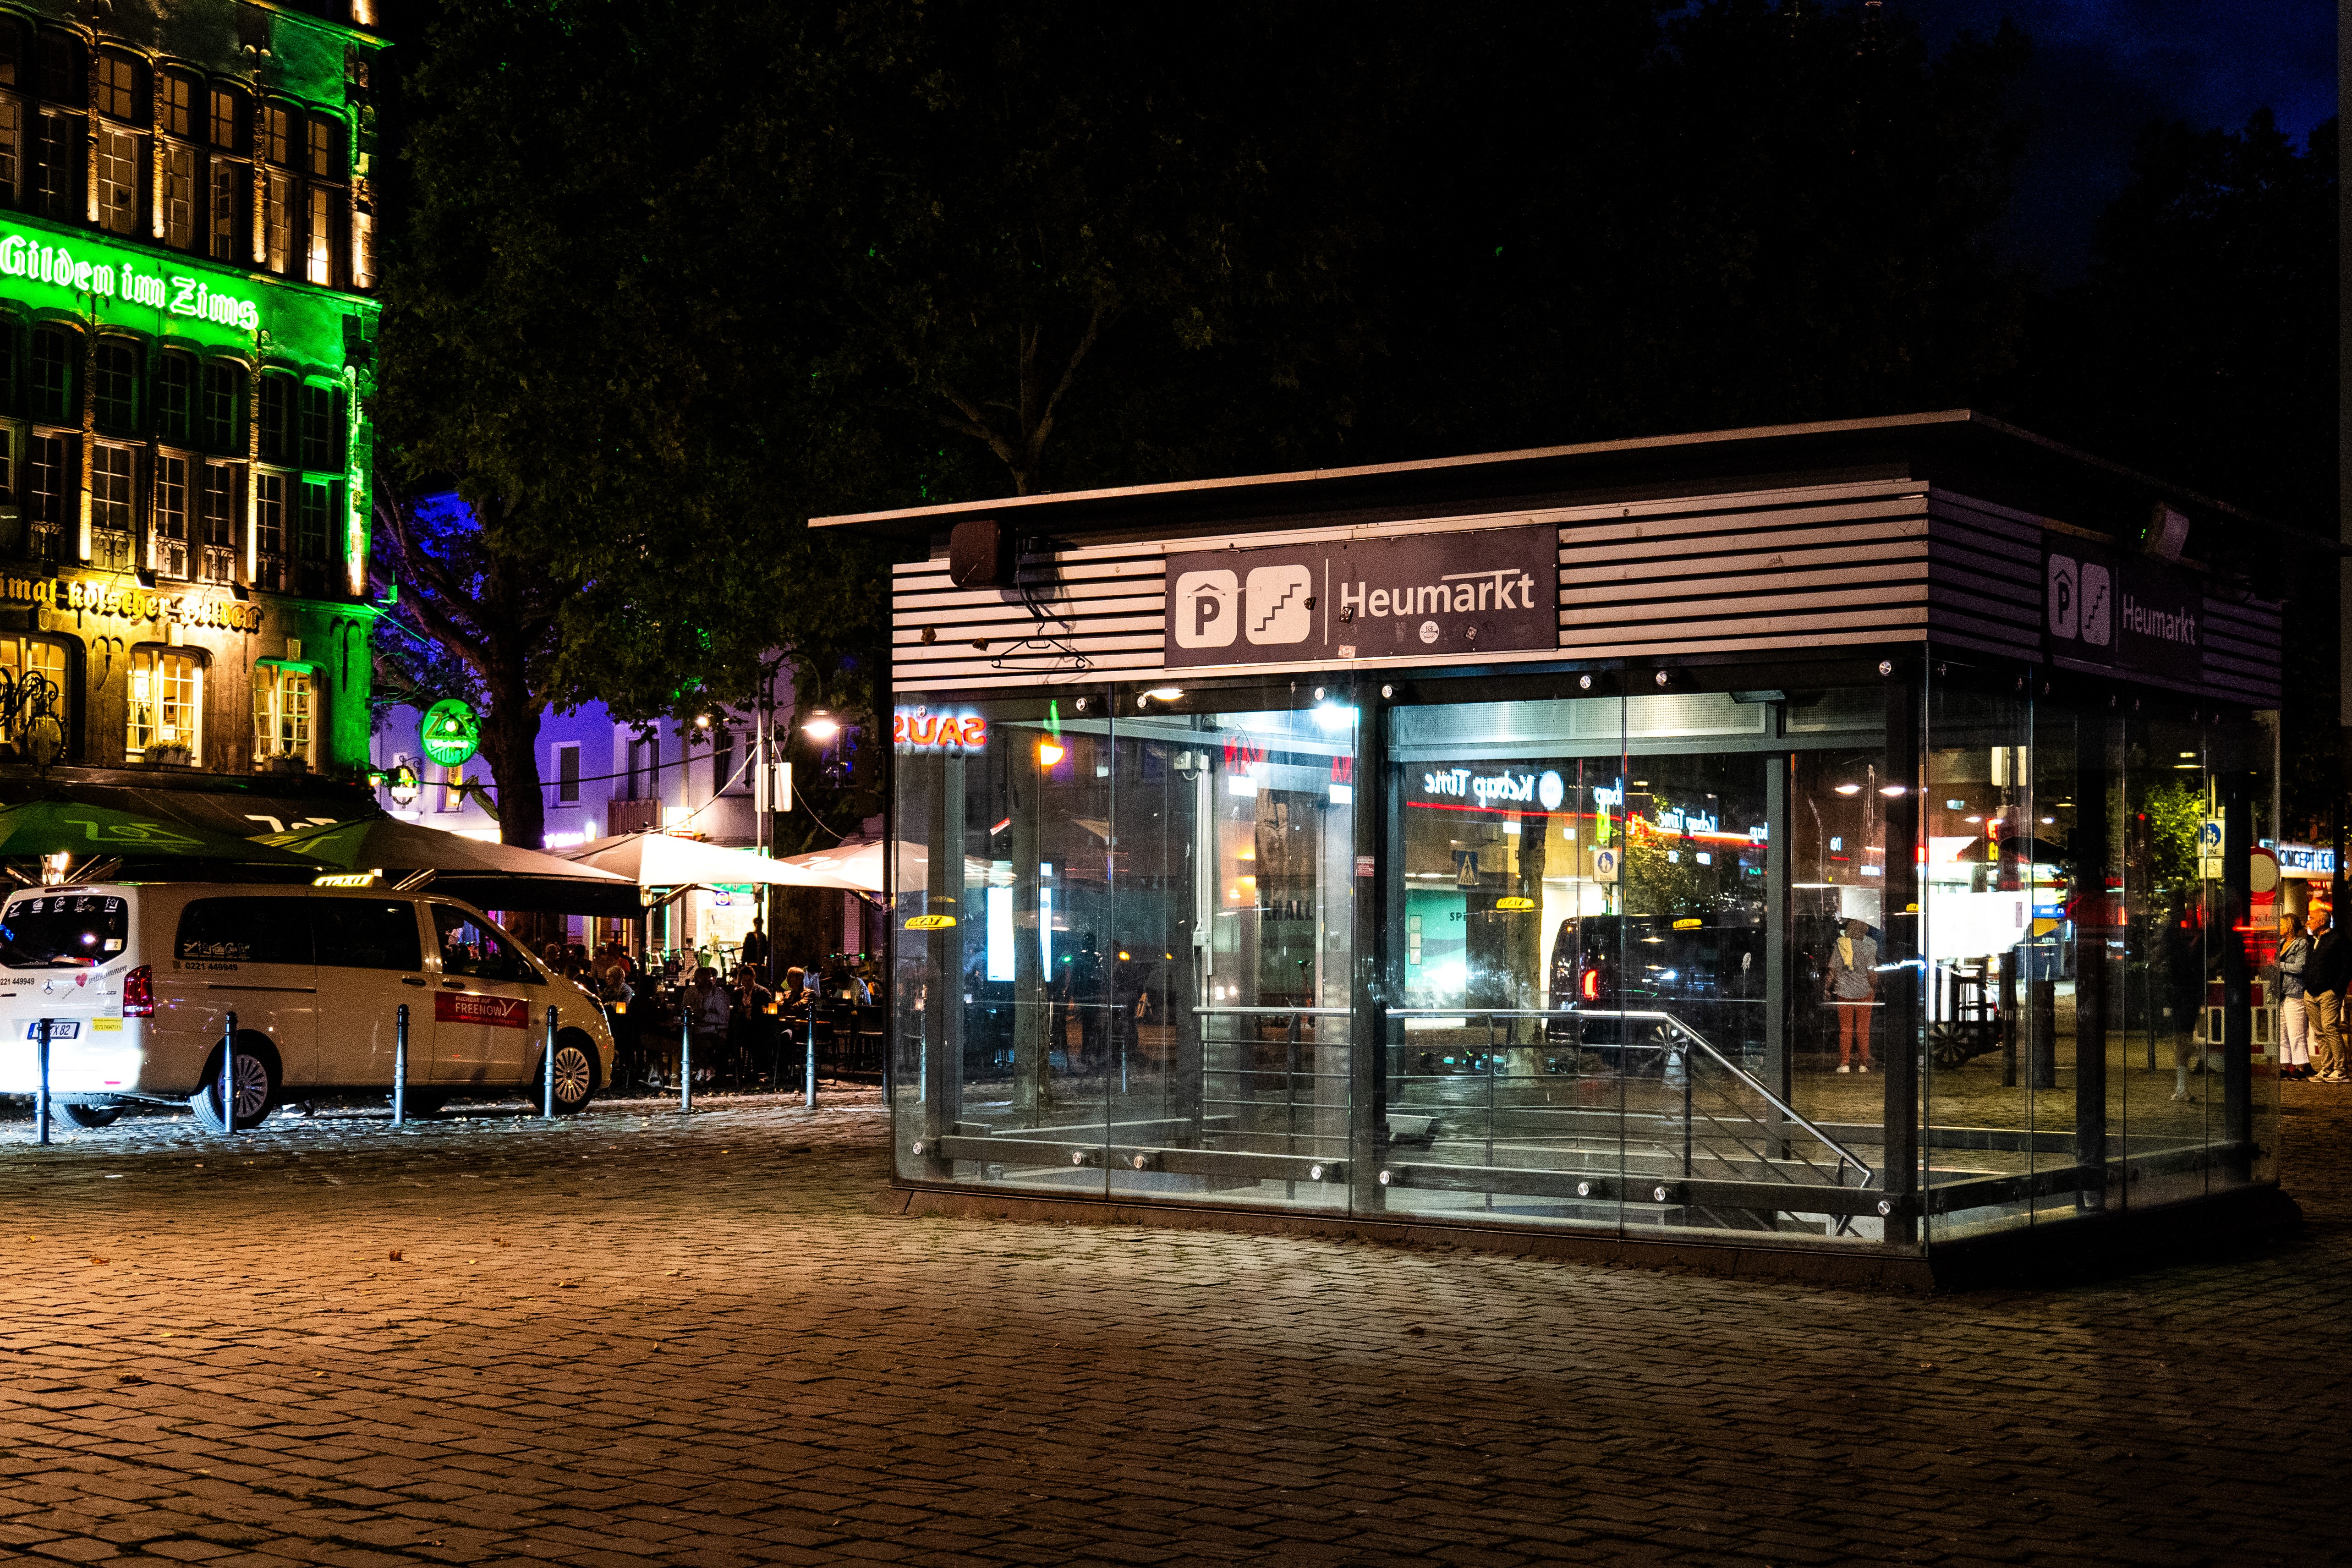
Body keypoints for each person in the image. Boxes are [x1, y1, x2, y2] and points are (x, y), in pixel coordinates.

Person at [1825, 917, 1878, 1073]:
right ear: (1863, 929)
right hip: (1865, 992)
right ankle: (1863, 1064)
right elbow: (1872, 973)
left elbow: (1832, 971)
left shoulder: (1841, 945)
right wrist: (1874, 988)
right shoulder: (1869, 946)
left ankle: (1845, 1064)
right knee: (1863, 1029)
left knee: (1846, 1029)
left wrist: (1826, 989)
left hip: (1844, 992)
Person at [2308, 908, 2349, 1084]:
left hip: (2328, 993)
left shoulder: (2337, 939)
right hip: (2311, 993)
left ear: (2322, 922)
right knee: (2319, 1033)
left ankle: (2341, 1070)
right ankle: (2327, 1068)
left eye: (2312, 919)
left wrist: (2337, 989)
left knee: (2330, 1028)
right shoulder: (2313, 941)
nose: (2309, 922)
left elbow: (2347, 966)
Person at [2274, 911, 2314, 1081]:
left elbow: (2300, 967)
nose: (2279, 927)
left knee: (2296, 1032)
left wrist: (2279, 965)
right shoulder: (2281, 943)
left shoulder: (2301, 944)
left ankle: (2301, 1066)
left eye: (2282, 924)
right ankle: (2285, 1065)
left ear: (2290, 927)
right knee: (2282, 1032)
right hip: (2281, 992)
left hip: (2294, 991)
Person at [740, 918, 772, 986]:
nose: (759, 926)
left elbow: (766, 951)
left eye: (760, 924)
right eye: (757, 924)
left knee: (760, 982)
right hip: (751, 963)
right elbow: (746, 950)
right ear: (755, 925)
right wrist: (743, 963)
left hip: (761, 964)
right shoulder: (750, 936)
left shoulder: (763, 937)